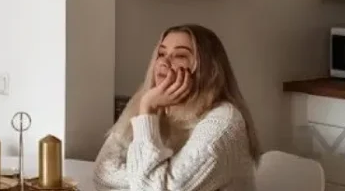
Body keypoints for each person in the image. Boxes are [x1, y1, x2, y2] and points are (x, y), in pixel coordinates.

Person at [93, 24, 259, 191]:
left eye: (180, 55)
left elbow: (162, 189)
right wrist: (146, 181)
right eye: (161, 54)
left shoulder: (225, 121)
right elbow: (102, 174)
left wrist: (148, 111)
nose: (164, 62)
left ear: (208, 69)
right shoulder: (145, 100)